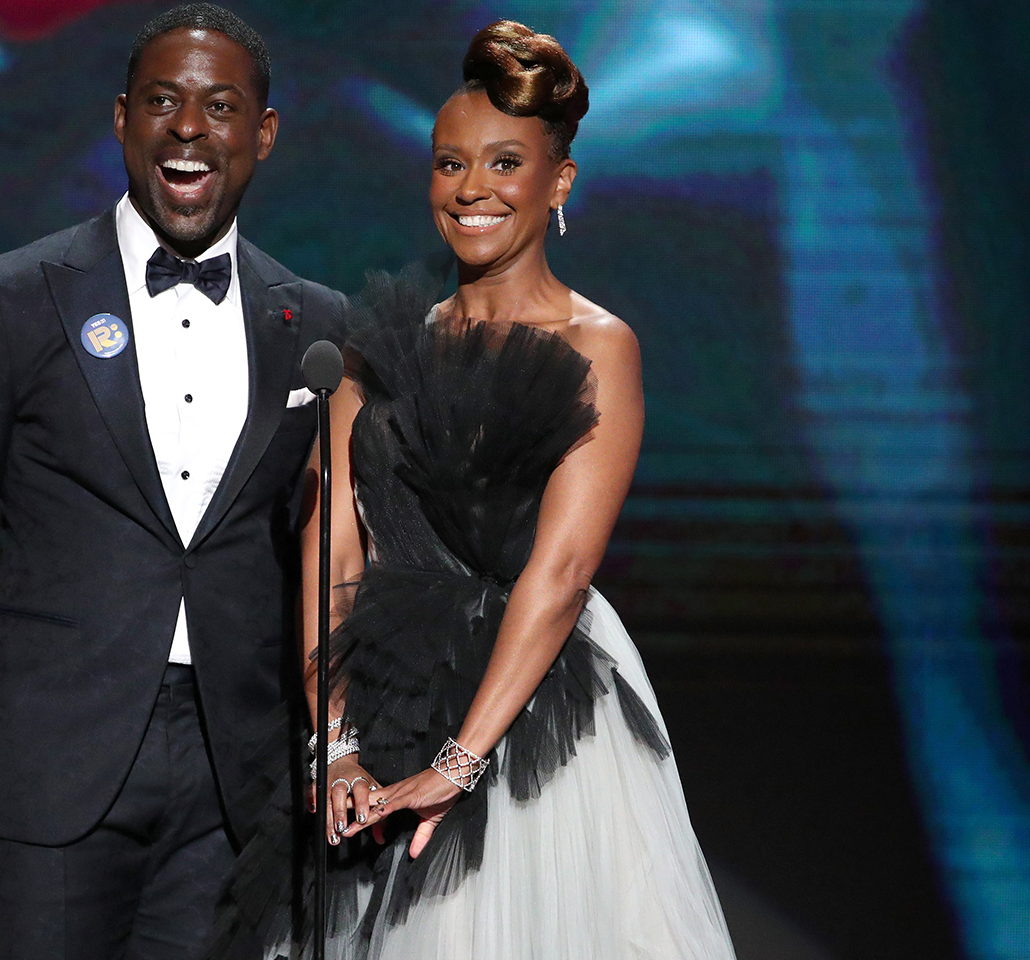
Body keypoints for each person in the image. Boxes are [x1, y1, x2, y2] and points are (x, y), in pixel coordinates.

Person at [210, 20, 735, 959]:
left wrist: (459, 765)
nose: (473, 189)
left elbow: (563, 567)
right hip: (373, 704)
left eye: (505, 162)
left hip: (529, 716)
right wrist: (334, 744)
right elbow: (330, 547)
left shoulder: (595, 345)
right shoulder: (374, 347)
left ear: (558, 181)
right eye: (451, 163)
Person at [0, 5, 347, 958]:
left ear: (261, 134)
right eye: (163, 102)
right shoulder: (11, 298)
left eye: (220, 106)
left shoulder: (315, 327)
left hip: (233, 781)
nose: (188, 128)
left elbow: (328, 552)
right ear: (124, 119)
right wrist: (4, 702)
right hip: (48, 766)